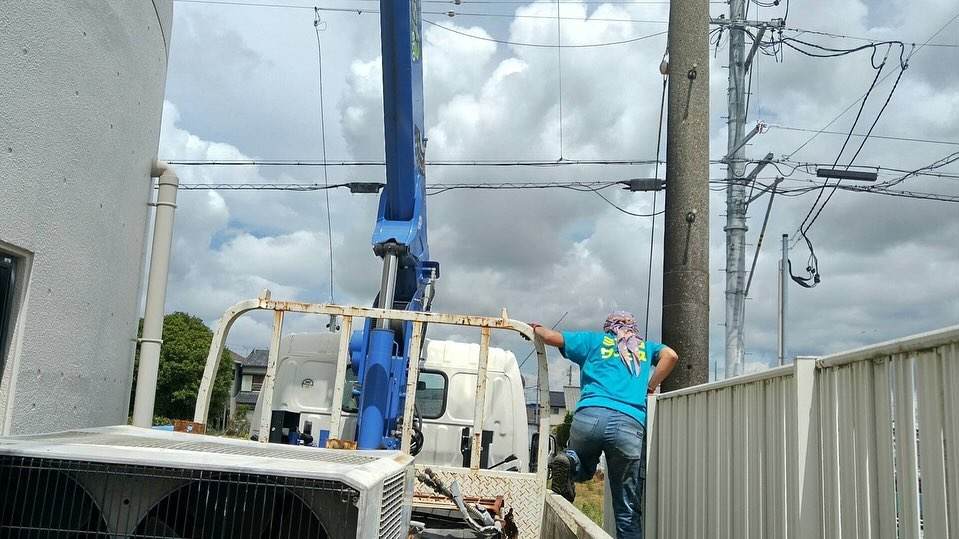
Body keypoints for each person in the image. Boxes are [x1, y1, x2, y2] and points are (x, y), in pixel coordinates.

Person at [530, 310, 678, 539]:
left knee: (580, 468)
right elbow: (671, 355)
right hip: (629, 424)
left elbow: (550, 337)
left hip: (589, 416)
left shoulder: (593, 341)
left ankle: (570, 461)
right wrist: (650, 386)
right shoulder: (645, 348)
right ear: (633, 328)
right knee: (627, 509)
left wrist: (535, 327)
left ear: (608, 327)